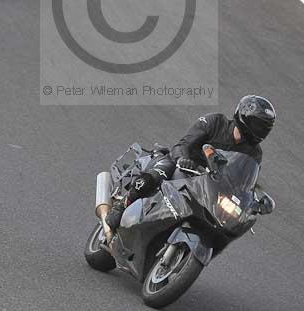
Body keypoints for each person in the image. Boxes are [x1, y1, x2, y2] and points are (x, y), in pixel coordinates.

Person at [105, 94, 276, 232]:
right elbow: (184, 144)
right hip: (183, 164)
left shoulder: (255, 153)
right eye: (258, 125)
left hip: (211, 184)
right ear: (245, 117)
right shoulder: (215, 122)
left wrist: (254, 203)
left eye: (265, 128)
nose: (261, 131)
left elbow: (243, 182)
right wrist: (182, 159)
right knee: (158, 174)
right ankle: (123, 204)